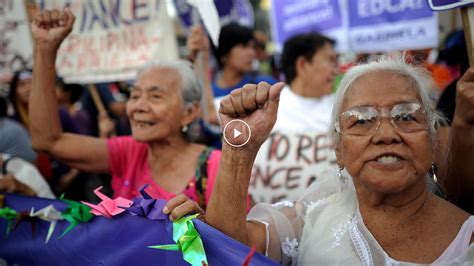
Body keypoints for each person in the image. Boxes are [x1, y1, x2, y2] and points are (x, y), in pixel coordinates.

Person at [206, 56, 473, 264]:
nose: (386, 134)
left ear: (433, 139)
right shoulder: (315, 214)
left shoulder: (468, 240)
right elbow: (229, 249)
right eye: (363, 120)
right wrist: (239, 149)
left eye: (405, 116)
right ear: (338, 150)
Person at [28, 9, 222, 220]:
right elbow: (47, 141)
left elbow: (237, 244)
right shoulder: (129, 152)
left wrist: (205, 226)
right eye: (134, 95)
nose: (138, 105)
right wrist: (45, 49)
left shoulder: (215, 167)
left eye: (155, 96)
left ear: (189, 112)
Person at [273, 32, 338, 133]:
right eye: (330, 60)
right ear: (302, 65)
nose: (336, 71)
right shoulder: (271, 110)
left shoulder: (342, 108)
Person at [211, 23, 276, 107]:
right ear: (224, 54)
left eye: (253, 47)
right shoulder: (209, 95)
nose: (252, 53)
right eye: (244, 46)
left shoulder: (264, 85)